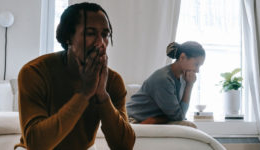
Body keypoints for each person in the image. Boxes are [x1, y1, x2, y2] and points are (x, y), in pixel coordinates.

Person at [15, 2, 135, 150]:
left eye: (105, 35)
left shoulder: (113, 81)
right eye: (90, 33)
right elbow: (36, 144)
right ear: (68, 37)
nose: (100, 43)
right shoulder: (34, 72)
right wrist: (84, 94)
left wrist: (102, 95)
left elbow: (124, 146)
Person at [126, 41, 205, 127]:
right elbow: (178, 116)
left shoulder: (183, 78)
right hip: (131, 120)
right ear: (182, 57)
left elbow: (180, 114)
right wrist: (189, 86)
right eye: (196, 64)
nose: (197, 71)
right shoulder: (164, 79)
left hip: (146, 121)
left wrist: (188, 84)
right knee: (188, 125)